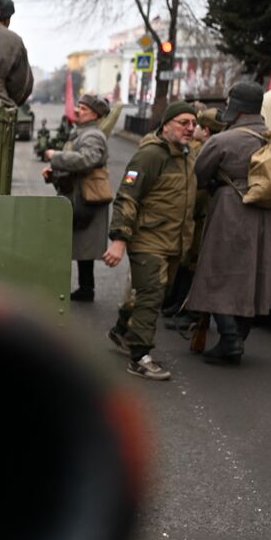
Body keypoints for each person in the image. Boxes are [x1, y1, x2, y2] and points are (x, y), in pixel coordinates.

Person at [186, 81, 271, 364]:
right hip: (270, 215)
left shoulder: (222, 141)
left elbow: (200, 174)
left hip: (232, 211)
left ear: (234, 106)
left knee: (219, 271)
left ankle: (230, 338)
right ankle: (237, 335)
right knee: (257, 273)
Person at [102, 100, 199, 380]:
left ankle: (121, 330)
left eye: (193, 124)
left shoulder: (187, 157)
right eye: (183, 122)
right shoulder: (150, 156)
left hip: (175, 242)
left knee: (153, 293)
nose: (190, 128)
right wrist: (119, 240)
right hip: (148, 240)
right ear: (166, 124)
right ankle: (139, 357)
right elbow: (127, 198)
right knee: (151, 295)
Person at [43, 93, 111, 302]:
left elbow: (86, 160)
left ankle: (76, 288)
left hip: (83, 198)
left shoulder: (92, 136)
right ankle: (85, 288)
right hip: (77, 195)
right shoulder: (81, 133)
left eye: (83, 108)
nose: (77, 111)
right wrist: (53, 173)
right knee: (80, 245)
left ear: (95, 115)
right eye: (79, 107)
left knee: (70, 243)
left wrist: (56, 157)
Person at [162, 105, 223, 330]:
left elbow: (197, 188)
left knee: (194, 262)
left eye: (195, 125)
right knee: (188, 262)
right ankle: (178, 304)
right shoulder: (199, 148)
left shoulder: (203, 151)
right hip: (199, 215)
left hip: (200, 215)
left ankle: (189, 311)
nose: (191, 129)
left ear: (205, 130)